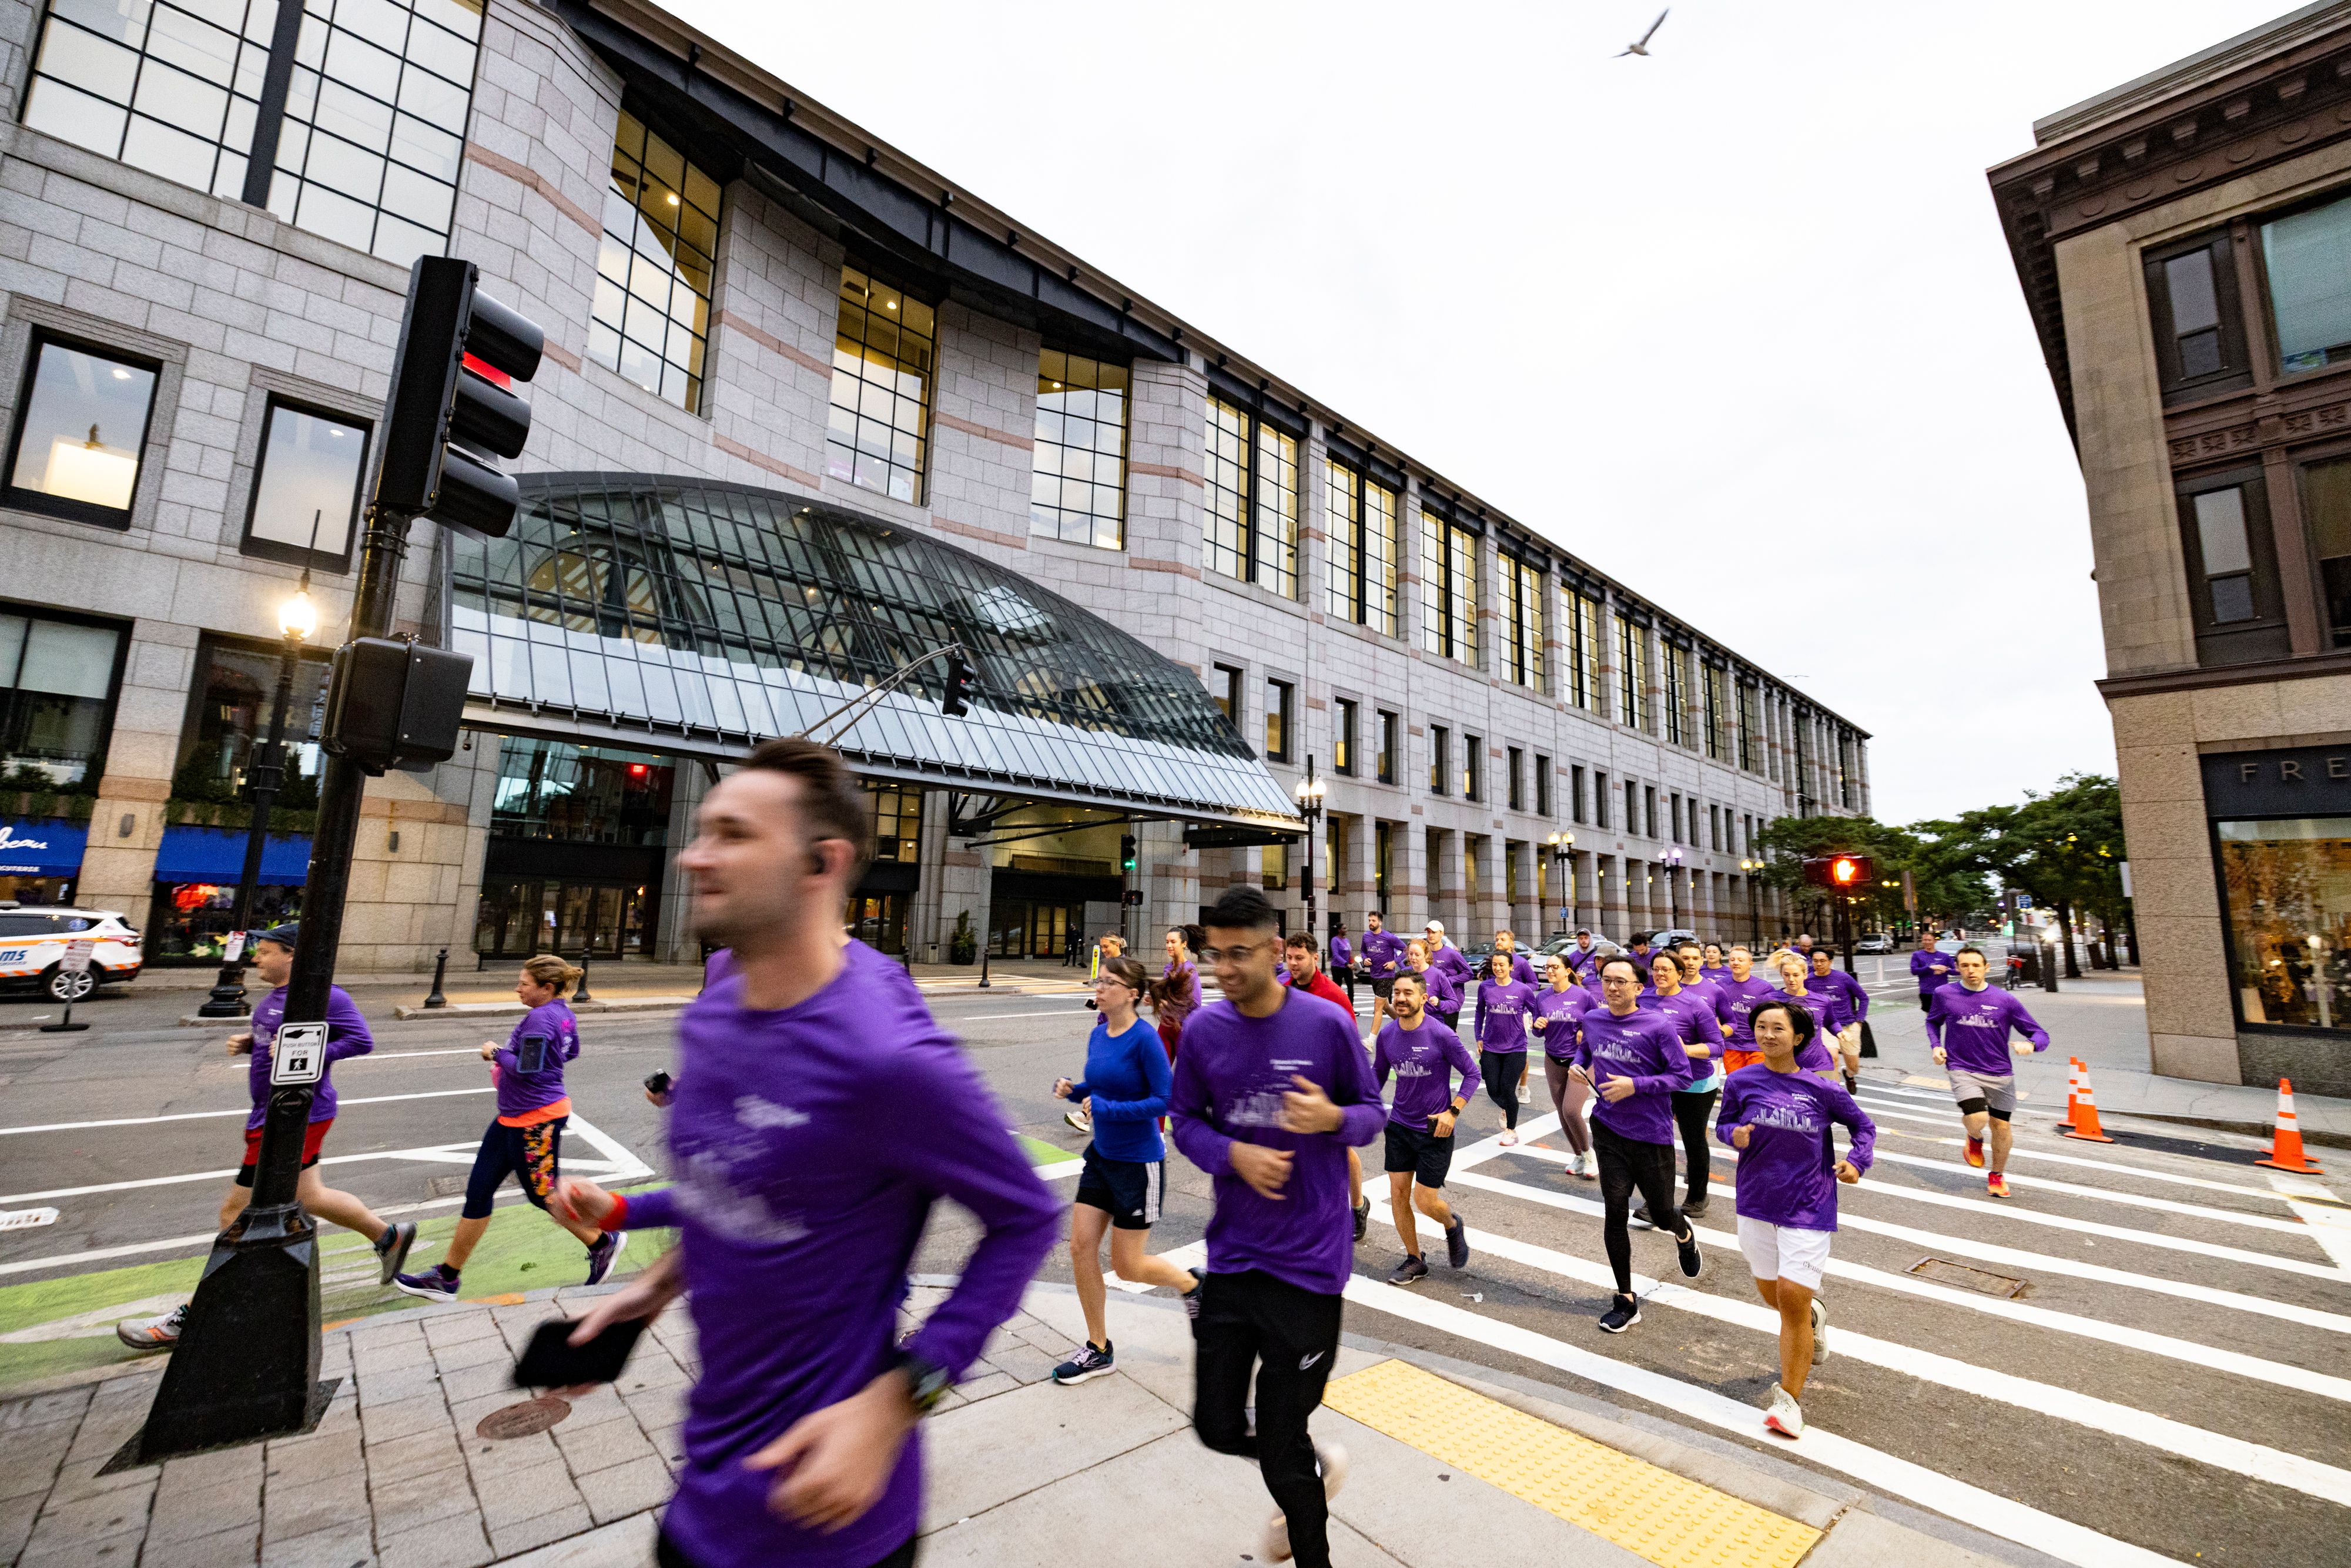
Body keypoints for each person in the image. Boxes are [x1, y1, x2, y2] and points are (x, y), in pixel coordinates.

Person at [552, 738, 1058, 1568]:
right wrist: (648, 1286)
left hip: (832, 1522)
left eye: (733, 834)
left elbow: (1025, 1218)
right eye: (705, 828)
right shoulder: (717, 996)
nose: (693, 854)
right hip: (706, 1493)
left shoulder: (887, 1058)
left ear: (822, 863)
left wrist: (900, 1399)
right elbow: (754, 1181)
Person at [1172, 886, 1381, 1568]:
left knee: (1284, 1447)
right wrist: (1231, 1153)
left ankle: (1311, 1550)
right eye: (1214, 954)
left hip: (1310, 1267)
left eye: (1238, 953)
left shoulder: (1325, 1024)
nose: (1224, 968)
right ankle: (1311, 1462)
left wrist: (1333, 1120)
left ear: (1272, 950)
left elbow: (1372, 1112)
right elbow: (1186, 1122)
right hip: (1234, 1257)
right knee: (1216, 1425)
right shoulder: (1205, 1030)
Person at [116, 923, 418, 1351]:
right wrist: (252, 1043)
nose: (256, 958)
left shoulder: (327, 995)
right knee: (309, 1197)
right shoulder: (274, 1001)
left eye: (266, 951)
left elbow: (361, 1041)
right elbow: (283, 1042)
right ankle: (390, 1236)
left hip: (295, 1116)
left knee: (235, 1214)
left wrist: (309, 1052)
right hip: (271, 1114)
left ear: (292, 954)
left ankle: (196, 1316)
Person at [395, 956, 620, 1302]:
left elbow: (528, 1070)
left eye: (524, 984)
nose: (517, 988)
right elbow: (570, 1052)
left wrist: (495, 1052)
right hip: (514, 1117)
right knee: (480, 1190)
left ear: (547, 988)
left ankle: (603, 1242)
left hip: (537, 1120)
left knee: (542, 1195)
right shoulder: (562, 1014)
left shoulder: (541, 1019)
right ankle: (447, 1277)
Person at [1717, 999, 1876, 1439]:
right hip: (1756, 1201)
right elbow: (1724, 1124)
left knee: (1790, 1297)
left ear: (1798, 1037)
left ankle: (1788, 1401)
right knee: (1776, 1296)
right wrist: (1735, 1134)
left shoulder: (1821, 1089)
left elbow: (1863, 1127)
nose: (1768, 1035)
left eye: (1778, 1029)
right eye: (1761, 1027)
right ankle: (1813, 1317)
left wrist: (1857, 1162)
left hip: (1809, 1203)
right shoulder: (1741, 1080)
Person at [1049, 954, 1203, 1383]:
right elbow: (1098, 1087)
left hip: (1139, 1163)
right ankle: (1098, 1348)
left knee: (1128, 1267)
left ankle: (1192, 1285)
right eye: (1099, 982)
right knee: (1080, 1248)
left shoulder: (1146, 1040)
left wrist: (1107, 1108)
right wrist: (1072, 1091)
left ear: (1132, 993)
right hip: (1102, 1158)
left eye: (1110, 983)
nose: (1100, 989)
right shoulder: (1099, 1035)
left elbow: (1162, 1101)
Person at [1570, 957, 1703, 1333]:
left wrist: (1635, 1085)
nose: (1613, 988)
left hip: (1651, 1135)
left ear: (1638, 989)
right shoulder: (1594, 1020)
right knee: (1615, 1212)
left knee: (1661, 1214)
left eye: (1621, 982)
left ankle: (1683, 1231)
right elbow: (1587, 1051)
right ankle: (1626, 1299)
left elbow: (1680, 1075)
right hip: (1609, 1130)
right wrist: (1580, 1066)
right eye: (1607, 981)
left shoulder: (1657, 1025)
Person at [1371, 971, 1478, 1284]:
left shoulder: (1441, 1033)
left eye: (1408, 993)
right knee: (1399, 1194)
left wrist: (1453, 1111)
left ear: (1421, 997)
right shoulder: (1389, 1036)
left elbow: (1472, 1074)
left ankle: (1451, 1225)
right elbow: (1378, 1074)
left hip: (1435, 1129)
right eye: (1397, 993)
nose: (1401, 998)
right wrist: (1361, 1101)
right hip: (1400, 1127)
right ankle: (1415, 1258)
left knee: (1426, 1200)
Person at [1924, 946, 2051, 1200]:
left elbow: (2040, 1034)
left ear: (1986, 968)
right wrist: (1936, 1046)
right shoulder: (1944, 994)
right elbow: (1932, 1021)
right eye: (1964, 966)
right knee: (1978, 1118)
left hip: (2000, 1072)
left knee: (2002, 1127)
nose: (1970, 970)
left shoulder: (2005, 1000)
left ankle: (1997, 1175)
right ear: (1957, 968)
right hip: (1962, 1067)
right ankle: (1974, 1137)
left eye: (1976, 965)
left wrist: (2032, 1045)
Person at [1283, 933, 1371, 1241]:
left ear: (1315, 958)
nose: (1293, 964)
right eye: (1289, 958)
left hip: (1328, 1084)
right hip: (1291, 1082)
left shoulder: (1333, 995)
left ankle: (1358, 1205)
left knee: (1339, 1148)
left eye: (1299, 958)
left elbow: (1350, 1049)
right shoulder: (1282, 988)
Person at [1635, 948, 1727, 1221]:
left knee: (1693, 1140)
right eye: (1656, 969)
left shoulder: (1695, 1004)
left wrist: (1684, 1050)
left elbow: (1717, 1046)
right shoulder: (1645, 998)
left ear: (1679, 973)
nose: (1661, 973)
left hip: (1694, 1081)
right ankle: (1657, 1204)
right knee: (1656, 1140)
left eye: (1667, 969)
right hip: (1658, 1081)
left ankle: (1697, 1196)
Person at [1533, 953, 1596, 1178]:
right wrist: (1538, 1026)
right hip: (1553, 1058)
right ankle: (1578, 1154)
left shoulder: (1583, 996)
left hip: (1580, 1059)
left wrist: (1584, 1031)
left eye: (1555, 967)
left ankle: (1589, 1155)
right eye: (1547, 967)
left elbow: (1597, 1023)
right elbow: (1537, 1030)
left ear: (1567, 970)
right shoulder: (1542, 997)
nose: (1550, 971)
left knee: (1571, 1110)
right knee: (1562, 1111)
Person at [1472, 950, 1536, 1146]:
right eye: (1495, 965)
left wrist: (1541, 1022)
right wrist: (1478, 1037)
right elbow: (1479, 1012)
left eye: (1502, 965)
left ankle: (1511, 1130)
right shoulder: (1485, 987)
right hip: (1491, 1045)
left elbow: (1537, 1011)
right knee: (1492, 1089)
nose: (1498, 968)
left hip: (1516, 1047)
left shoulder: (1523, 990)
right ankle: (1509, 1107)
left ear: (1511, 967)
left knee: (1507, 1088)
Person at [1770, 953, 1850, 1080]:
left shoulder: (1822, 1001)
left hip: (1819, 1064)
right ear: (1781, 974)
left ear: (1805, 975)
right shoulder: (1771, 1000)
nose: (1791, 979)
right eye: (1787, 975)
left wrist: (1839, 1032)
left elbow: (1831, 1022)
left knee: (1830, 1098)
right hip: (1785, 1066)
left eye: (1796, 975)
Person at [1809, 949, 1870, 1093]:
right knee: (1832, 1057)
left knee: (1854, 1067)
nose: (1819, 964)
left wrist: (1859, 1021)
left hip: (1848, 1026)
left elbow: (1864, 998)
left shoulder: (1844, 978)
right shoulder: (1808, 980)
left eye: (1823, 961)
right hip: (1825, 1027)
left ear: (1830, 962)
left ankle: (1848, 1075)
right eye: (1815, 961)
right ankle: (1836, 1093)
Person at [1714, 946, 1780, 1073]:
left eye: (1741, 960)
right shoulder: (1721, 985)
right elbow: (1713, 1009)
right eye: (1732, 960)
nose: (1736, 963)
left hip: (1757, 1045)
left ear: (1751, 964)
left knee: (1756, 1083)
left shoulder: (1764, 988)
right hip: (1731, 1045)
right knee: (1735, 1082)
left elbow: (1776, 1014)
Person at [1405, 939, 1462, 1041]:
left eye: (1417, 955)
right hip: (1409, 1024)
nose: (1413, 958)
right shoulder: (1405, 974)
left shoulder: (1437, 975)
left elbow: (1454, 1004)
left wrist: (1439, 1003)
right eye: (1411, 954)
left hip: (1432, 1025)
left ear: (1426, 955)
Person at [1360, 912, 1406, 1035]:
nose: (1371, 923)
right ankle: (1407, 1025)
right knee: (1386, 1006)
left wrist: (1394, 962)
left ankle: (1370, 1041)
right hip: (1374, 975)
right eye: (1369, 920)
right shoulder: (1366, 936)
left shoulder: (1389, 937)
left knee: (1378, 1007)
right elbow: (1363, 951)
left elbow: (1406, 950)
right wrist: (1365, 959)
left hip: (1387, 976)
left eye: (1374, 921)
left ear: (1380, 923)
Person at [1424, 920, 1475, 994]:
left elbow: (1469, 974)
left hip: (1449, 998)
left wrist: (1449, 980)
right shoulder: (1425, 953)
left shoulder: (1452, 954)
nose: (1431, 935)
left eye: (1434, 932)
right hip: (1431, 997)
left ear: (1442, 934)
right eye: (1429, 932)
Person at [1910, 931, 1954, 1012]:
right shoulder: (1917, 955)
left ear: (1935, 941)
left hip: (1942, 991)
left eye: (1929, 940)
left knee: (1944, 1016)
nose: (1927, 942)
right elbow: (1914, 971)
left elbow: (1957, 971)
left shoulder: (1944, 956)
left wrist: (1945, 970)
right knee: (1931, 1018)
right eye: (1925, 940)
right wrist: (1931, 967)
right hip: (1927, 992)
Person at [1328, 923, 1355, 1006]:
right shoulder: (1335, 940)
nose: (1346, 930)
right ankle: (1335, 1006)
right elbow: (1336, 955)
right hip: (1337, 968)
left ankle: (1351, 1008)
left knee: (1351, 988)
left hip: (1347, 967)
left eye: (1346, 928)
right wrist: (1346, 963)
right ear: (1339, 930)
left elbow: (1349, 953)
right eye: (1344, 928)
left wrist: (1351, 963)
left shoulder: (1346, 940)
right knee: (1337, 988)